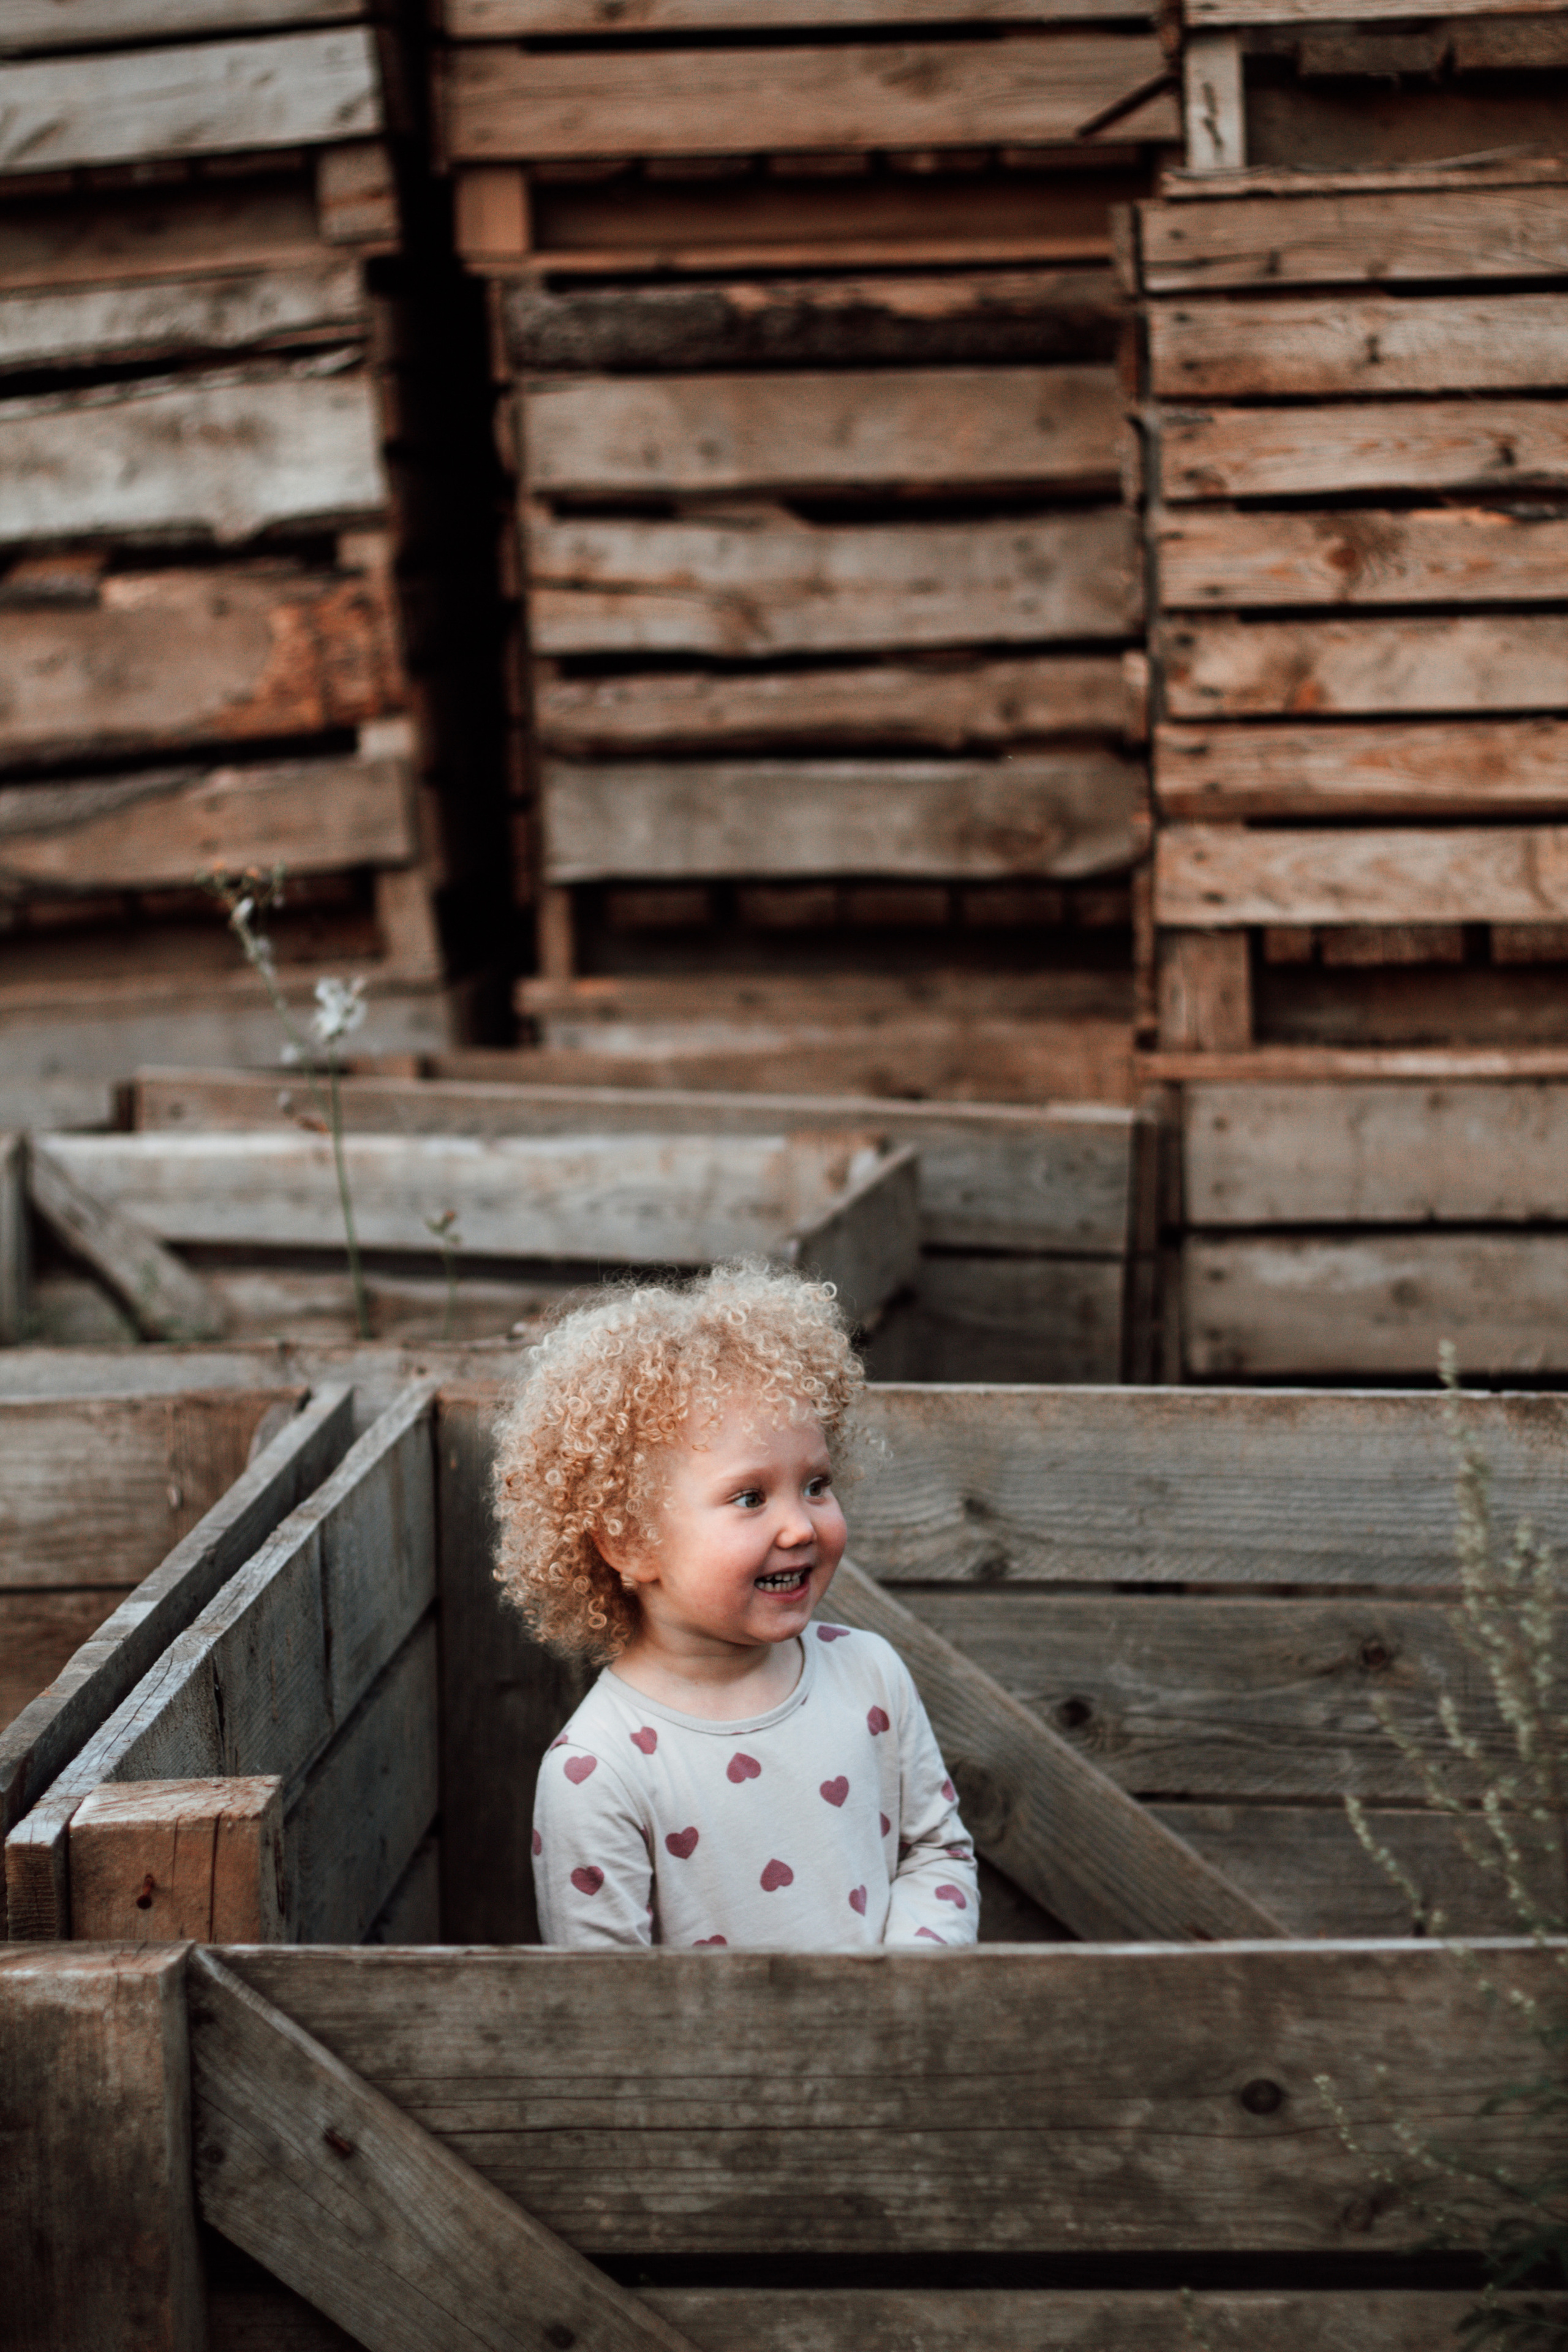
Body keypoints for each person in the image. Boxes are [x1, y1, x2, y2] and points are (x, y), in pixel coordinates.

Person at [491, 1260, 979, 1950]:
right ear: (630, 1544)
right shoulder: (598, 1773)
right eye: (750, 1497)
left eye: (815, 1484)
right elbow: (609, 2012)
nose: (800, 1527)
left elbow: (937, 1854)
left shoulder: (870, 1677)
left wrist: (899, 1991)